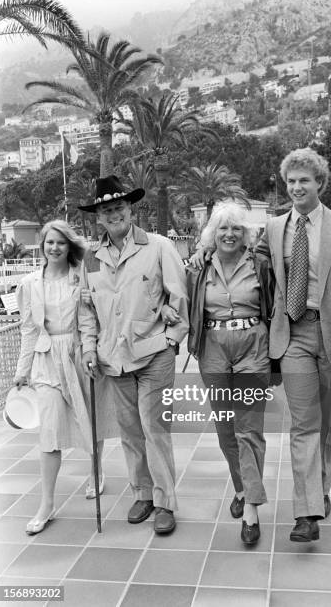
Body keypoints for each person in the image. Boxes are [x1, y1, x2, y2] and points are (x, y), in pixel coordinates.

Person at [191, 148, 331, 542]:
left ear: (319, 183)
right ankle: (307, 514)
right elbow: (241, 254)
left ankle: (319, 490)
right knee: (304, 423)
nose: (296, 187)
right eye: (291, 181)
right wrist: (207, 249)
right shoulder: (273, 228)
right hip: (292, 336)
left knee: (329, 424)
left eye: (304, 180)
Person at [77, 175, 189, 535]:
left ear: (131, 208)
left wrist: (172, 339)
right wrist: (90, 349)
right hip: (113, 361)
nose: (113, 214)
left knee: (155, 429)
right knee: (129, 431)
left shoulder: (158, 247)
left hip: (155, 355)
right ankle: (142, 492)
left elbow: (179, 298)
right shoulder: (91, 260)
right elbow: (86, 311)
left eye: (119, 207)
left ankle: (165, 502)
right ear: (98, 217)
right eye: (106, 210)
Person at [186, 201, 272, 545]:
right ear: (212, 234)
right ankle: (241, 486)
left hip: (253, 346)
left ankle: (251, 508)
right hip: (213, 349)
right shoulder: (199, 267)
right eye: (222, 228)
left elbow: (276, 301)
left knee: (249, 429)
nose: (230, 234)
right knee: (225, 430)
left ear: (246, 233)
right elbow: (180, 301)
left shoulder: (260, 264)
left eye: (236, 228)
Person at [13, 220, 94, 535]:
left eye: (61, 242)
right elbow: (28, 329)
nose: (55, 248)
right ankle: (46, 503)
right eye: (50, 242)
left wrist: (89, 351)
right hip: (45, 360)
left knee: (88, 418)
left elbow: (88, 319)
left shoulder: (80, 277)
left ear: (69, 246)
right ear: (42, 245)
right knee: (48, 434)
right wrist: (22, 371)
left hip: (76, 354)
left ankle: (96, 473)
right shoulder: (30, 283)